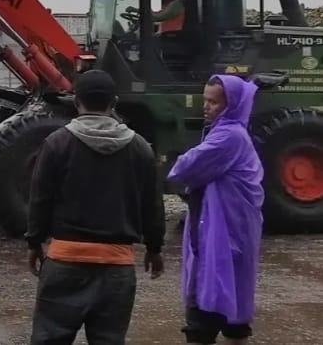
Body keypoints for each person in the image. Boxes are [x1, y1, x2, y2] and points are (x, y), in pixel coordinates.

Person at [26, 69, 166, 345]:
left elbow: (40, 198)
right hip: (117, 269)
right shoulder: (140, 148)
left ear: (76, 102)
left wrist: (34, 242)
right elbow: (153, 204)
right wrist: (154, 248)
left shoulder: (57, 143)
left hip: (65, 263)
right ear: (113, 103)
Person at [167, 75, 263, 345]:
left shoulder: (227, 137)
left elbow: (184, 169)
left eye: (213, 102)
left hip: (221, 236)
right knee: (235, 316)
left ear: (231, 105)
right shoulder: (236, 133)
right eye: (205, 100)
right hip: (236, 232)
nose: (206, 107)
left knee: (204, 312)